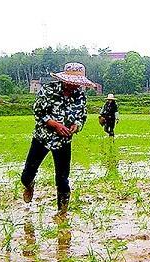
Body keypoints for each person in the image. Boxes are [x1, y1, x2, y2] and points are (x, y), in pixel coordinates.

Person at [20, 62, 95, 214]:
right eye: (72, 82)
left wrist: (76, 125)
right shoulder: (48, 90)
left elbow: (82, 116)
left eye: (77, 83)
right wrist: (55, 125)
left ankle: (62, 213)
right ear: (64, 79)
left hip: (64, 141)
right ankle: (29, 185)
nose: (74, 86)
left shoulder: (80, 95)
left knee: (62, 178)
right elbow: (38, 112)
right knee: (27, 174)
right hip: (42, 138)